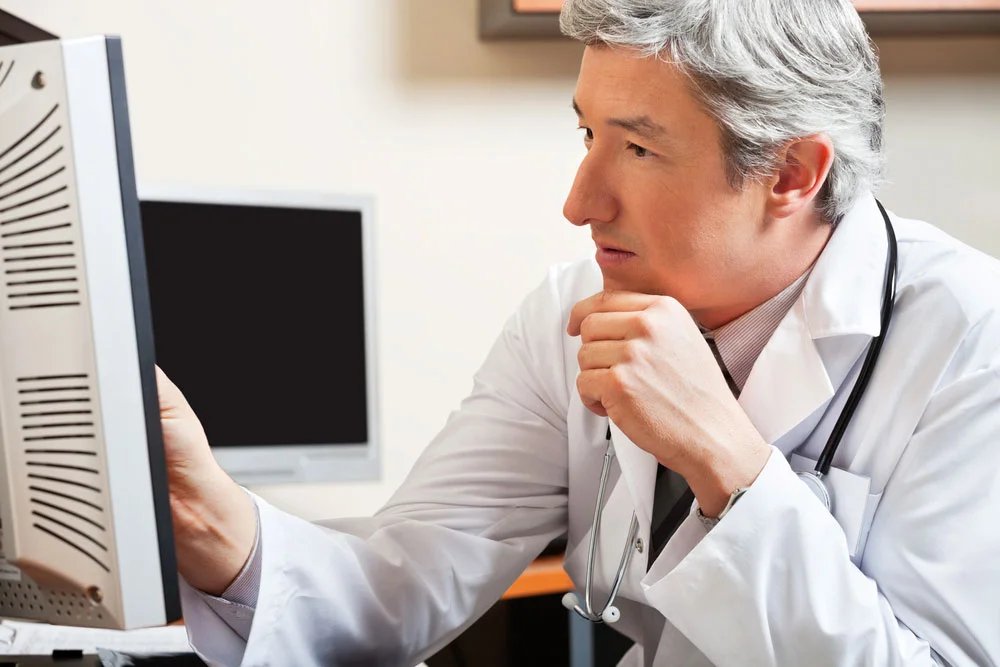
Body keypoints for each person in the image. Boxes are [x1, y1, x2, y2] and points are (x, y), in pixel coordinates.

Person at [161, 0, 1000, 665]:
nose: (579, 202)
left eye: (636, 149)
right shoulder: (568, 315)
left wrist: (728, 462)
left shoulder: (970, 339)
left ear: (790, 173)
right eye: (588, 133)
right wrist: (205, 514)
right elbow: (400, 587)